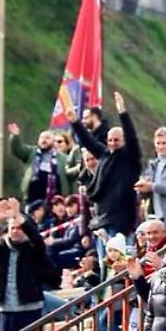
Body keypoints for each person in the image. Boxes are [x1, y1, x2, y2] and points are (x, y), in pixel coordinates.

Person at [69, 92, 142, 237]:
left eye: (117, 140)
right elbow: (88, 141)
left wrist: (123, 113)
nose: (113, 144)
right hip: (102, 219)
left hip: (122, 220)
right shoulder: (104, 155)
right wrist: (75, 122)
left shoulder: (130, 158)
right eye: (110, 140)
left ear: (123, 141)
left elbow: (131, 136)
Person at [0, 198, 48, 331]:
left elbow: (38, 241)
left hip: (30, 309)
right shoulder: (2, 250)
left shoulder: (33, 249)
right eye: (12, 228)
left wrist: (18, 215)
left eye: (19, 228)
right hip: (7, 309)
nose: (15, 231)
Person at [7, 123, 70, 204]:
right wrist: (15, 136)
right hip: (32, 197)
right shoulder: (32, 152)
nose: (44, 140)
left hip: (55, 199)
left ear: (53, 142)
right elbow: (18, 150)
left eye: (47, 138)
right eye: (41, 138)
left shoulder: (63, 158)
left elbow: (69, 177)